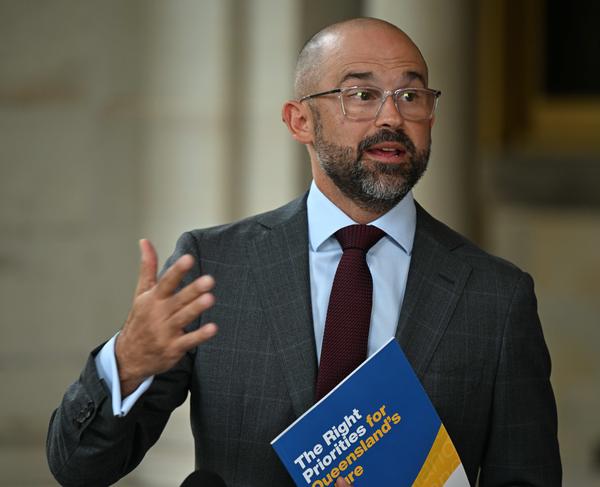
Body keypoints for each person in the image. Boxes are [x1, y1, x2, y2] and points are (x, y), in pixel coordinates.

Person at [47, 17, 561, 487]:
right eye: (361, 94)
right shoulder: (215, 266)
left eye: (411, 95)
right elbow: (79, 467)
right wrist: (127, 363)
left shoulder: (497, 295)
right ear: (300, 122)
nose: (393, 117)